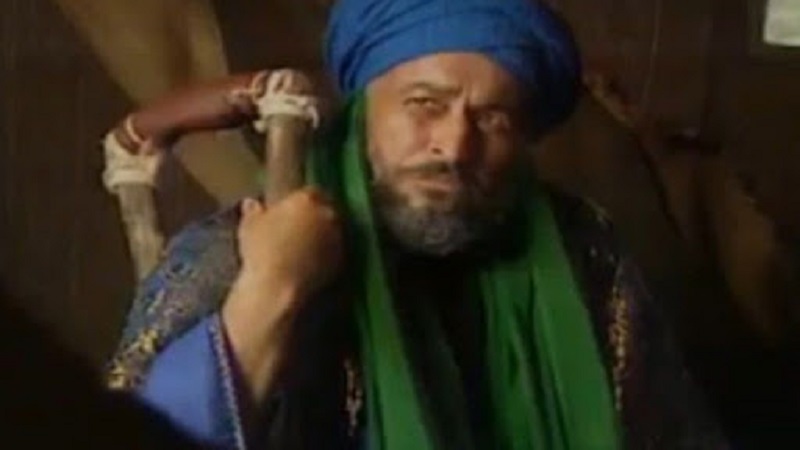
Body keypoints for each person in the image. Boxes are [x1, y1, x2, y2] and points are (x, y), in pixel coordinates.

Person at [105, 0, 728, 448]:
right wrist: (270, 293)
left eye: (492, 119)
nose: (454, 147)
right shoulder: (232, 254)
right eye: (424, 104)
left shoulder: (583, 253)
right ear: (364, 108)